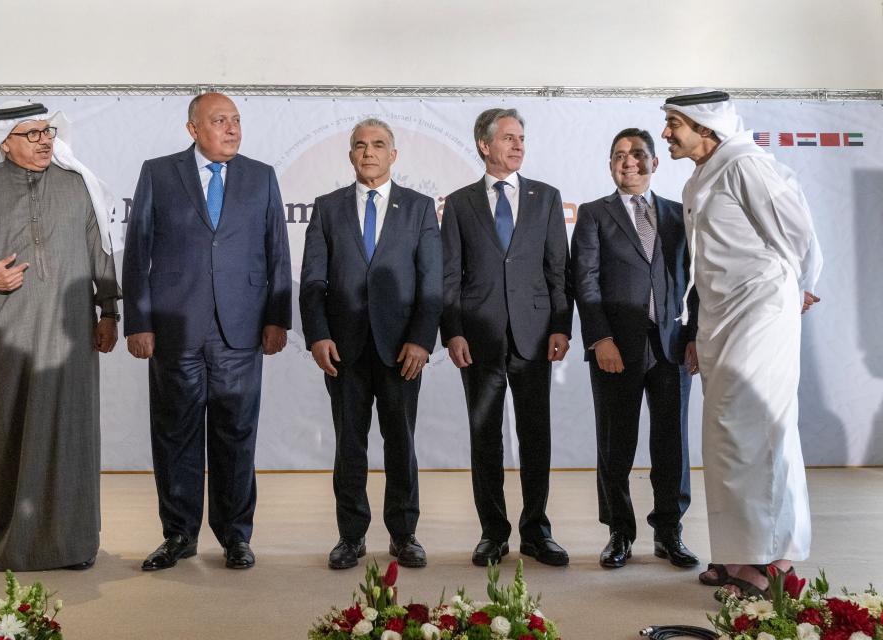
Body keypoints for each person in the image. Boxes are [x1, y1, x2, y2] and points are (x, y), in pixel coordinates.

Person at [0, 101, 120, 572]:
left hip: (68, 335)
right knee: (6, 432)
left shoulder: (78, 185)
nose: (46, 140)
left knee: (71, 433)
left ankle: (73, 543)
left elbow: (101, 255)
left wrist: (108, 313)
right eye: (33, 134)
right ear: (5, 141)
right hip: (6, 330)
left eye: (48, 132)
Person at [660, 89, 823, 595]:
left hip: (759, 315)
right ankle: (735, 554)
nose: (667, 133)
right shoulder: (700, 178)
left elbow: (798, 229)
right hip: (721, 319)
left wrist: (802, 283)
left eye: (674, 124)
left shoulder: (746, 165)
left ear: (706, 128)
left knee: (758, 434)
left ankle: (767, 563)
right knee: (727, 438)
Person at [122, 92, 291, 571]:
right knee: (175, 435)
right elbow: (137, 253)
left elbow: (278, 251)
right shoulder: (159, 172)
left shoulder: (261, 177)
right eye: (220, 121)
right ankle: (178, 535)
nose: (233, 129)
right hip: (175, 330)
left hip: (242, 331)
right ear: (193, 128)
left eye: (236, 120)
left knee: (237, 434)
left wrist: (278, 317)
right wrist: (140, 322)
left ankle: (236, 536)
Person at [300, 118, 442, 570]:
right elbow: (312, 281)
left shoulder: (419, 208)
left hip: (402, 350)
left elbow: (431, 284)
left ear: (393, 155)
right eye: (360, 145)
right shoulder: (327, 208)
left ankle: (404, 535)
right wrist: (318, 335)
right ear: (350, 155)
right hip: (343, 350)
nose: (369, 152)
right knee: (350, 446)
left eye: (378, 145)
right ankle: (351, 536)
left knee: (401, 443)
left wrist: (422, 340)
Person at [440, 108, 573, 567]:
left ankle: (537, 531)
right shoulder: (459, 203)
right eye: (509, 138)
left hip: (535, 337)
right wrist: (452, 331)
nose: (518, 145)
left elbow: (559, 270)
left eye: (522, 138)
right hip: (478, 340)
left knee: (537, 436)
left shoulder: (547, 198)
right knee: (485, 438)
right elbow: (449, 276)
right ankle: (493, 533)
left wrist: (561, 325)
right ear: (485, 144)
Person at [571, 128, 699, 570]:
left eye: (638, 154)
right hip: (615, 348)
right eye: (620, 155)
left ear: (654, 163)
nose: (630, 162)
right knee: (615, 444)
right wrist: (600, 338)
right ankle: (619, 533)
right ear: (610, 165)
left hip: (671, 346)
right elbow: (584, 282)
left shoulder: (677, 214)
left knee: (672, 445)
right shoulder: (593, 214)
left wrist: (696, 334)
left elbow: (696, 279)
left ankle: (669, 532)